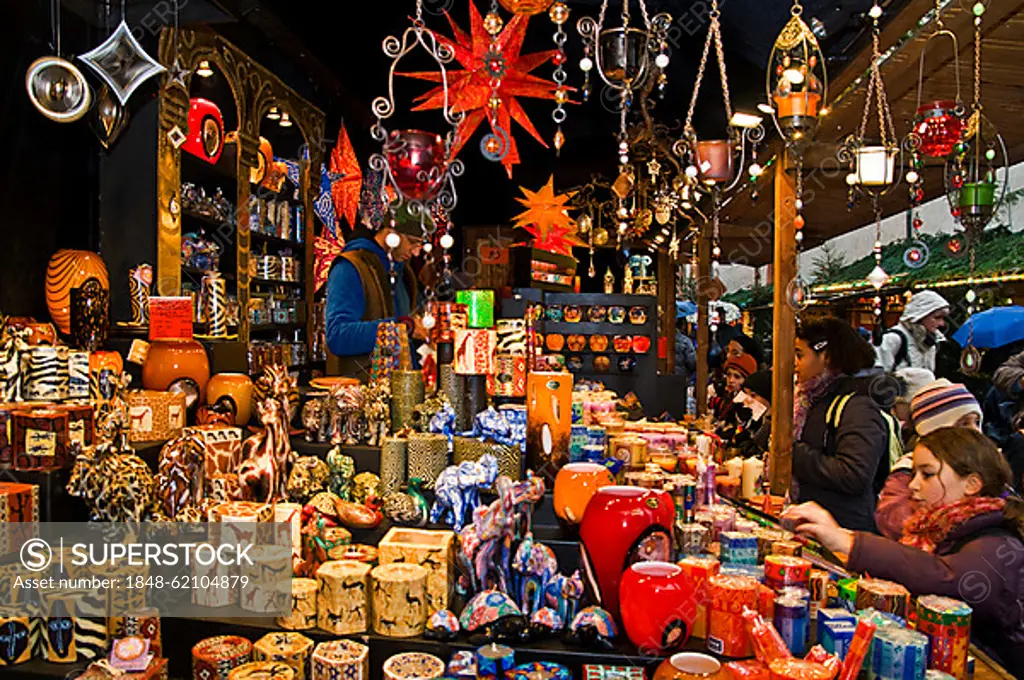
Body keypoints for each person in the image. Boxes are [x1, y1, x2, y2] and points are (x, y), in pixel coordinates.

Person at [783, 428, 1024, 673]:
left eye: (927, 475)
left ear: (972, 484)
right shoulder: (933, 531)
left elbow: (946, 578)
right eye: (914, 473)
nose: (913, 485)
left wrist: (849, 541)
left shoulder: (1000, 543)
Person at [792, 318, 890, 532]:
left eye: (800, 355)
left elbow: (854, 475)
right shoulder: (810, 399)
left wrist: (791, 453)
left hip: (843, 528)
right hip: (814, 524)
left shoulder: (858, 405)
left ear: (826, 357)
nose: (795, 363)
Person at [325, 174, 426, 377]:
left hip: (405, 394)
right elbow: (337, 336)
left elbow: (414, 322)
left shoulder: (405, 274)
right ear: (391, 232)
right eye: (412, 242)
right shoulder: (351, 267)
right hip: (363, 397)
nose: (416, 253)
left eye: (420, 245)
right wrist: (401, 327)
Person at [875, 378, 983, 540]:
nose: (975, 430)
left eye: (977, 422)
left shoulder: (983, 464)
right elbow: (892, 521)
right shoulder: (908, 469)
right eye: (963, 424)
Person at [875, 289, 950, 372]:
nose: (941, 323)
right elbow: (877, 374)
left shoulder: (931, 342)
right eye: (937, 317)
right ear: (920, 315)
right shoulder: (893, 338)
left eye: (942, 318)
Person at [718, 370, 772, 456]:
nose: (748, 400)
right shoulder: (756, 419)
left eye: (753, 395)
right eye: (746, 394)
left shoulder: (772, 425)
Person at [709, 353, 757, 421]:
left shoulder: (748, 403)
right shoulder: (729, 395)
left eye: (737, 377)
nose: (731, 380)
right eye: (728, 375)